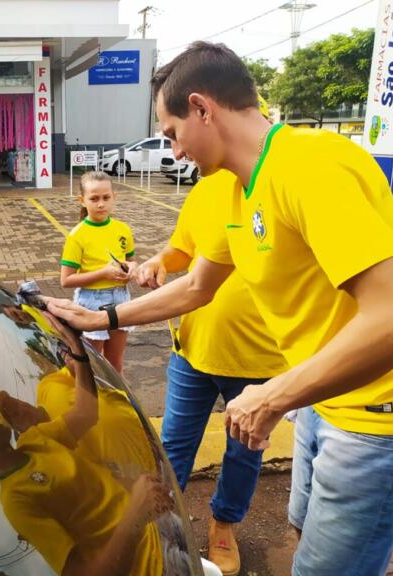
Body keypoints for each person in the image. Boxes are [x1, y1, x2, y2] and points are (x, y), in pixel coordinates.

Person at [46, 41, 393, 576]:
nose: (173, 152)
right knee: (306, 539)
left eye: (174, 133)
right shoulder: (235, 188)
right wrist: (102, 318)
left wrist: (273, 394)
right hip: (325, 401)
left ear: (202, 107)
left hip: (375, 419)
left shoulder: (309, 165)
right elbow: (197, 286)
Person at [135, 166, 288, 576]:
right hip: (193, 350)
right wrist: (160, 260)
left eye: (175, 133)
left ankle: (223, 525)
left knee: (244, 451)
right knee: (172, 445)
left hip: (258, 359)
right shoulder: (204, 191)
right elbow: (183, 248)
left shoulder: (277, 184)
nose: (177, 152)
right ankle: (166, 524)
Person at [0, 313, 174, 575]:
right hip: (151, 566)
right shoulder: (16, 499)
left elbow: (86, 414)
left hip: (159, 528)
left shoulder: (34, 440)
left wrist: (78, 351)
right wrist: (134, 515)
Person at [59, 170, 136, 372]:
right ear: (82, 200)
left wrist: (132, 270)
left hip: (121, 297)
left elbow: (131, 261)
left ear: (114, 197)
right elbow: (66, 280)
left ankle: (116, 400)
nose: (101, 204)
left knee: (115, 362)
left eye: (106, 198)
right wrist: (103, 273)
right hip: (92, 301)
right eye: (94, 198)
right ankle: (90, 401)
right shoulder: (77, 235)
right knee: (92, 366)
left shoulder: (123, 229)